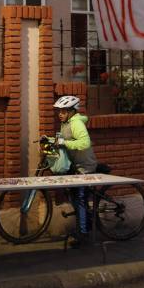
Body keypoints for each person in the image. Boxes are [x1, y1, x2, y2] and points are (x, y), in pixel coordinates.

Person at [51, 95, 97, 245]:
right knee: (74, 198)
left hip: (84, 167)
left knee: (81, 199)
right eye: (59, 111)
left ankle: (83, 234)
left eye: (63, 111)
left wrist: (64, 142)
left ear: (72, 111)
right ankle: (86, 224)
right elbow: (66, 139)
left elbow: (85, 142)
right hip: (75, 165)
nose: (60, 114)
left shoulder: (76, 123)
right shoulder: (66, 123)